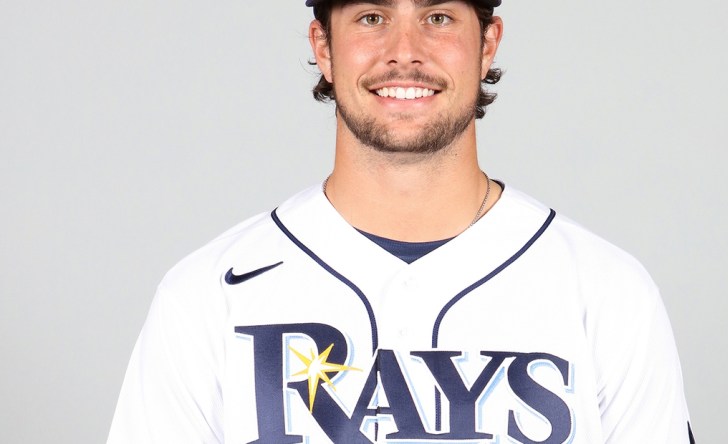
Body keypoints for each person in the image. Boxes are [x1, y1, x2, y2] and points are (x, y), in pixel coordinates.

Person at [108, 1, 694, 443]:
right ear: (324, 46)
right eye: (371, 17)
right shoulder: (207, 294)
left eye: (437, 17)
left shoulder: (608, 290)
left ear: (488, 42)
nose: (404, 50)